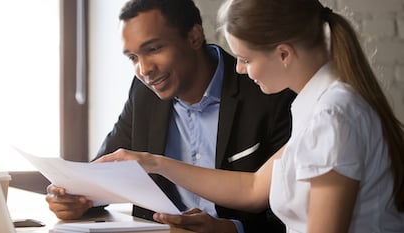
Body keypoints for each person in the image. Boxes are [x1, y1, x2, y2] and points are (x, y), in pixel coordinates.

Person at [97, 0, 404, 232]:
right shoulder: (317, 106)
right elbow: (254, 188)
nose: (239, 69)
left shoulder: (332, 116)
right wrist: (155, 163)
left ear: (283, 54)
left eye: (245, 59)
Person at [46, 0, 296, 232]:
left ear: (195, 37)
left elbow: (294, 213)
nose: (144, 70)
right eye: (133, 57)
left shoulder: (268, 90)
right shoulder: (143, 94)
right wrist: (74, 199)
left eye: (153, 49)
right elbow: (104, 172)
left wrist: (231, 228)